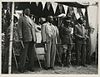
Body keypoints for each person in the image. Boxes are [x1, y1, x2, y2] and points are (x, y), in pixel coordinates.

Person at [17, 8, 37, 73]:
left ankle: (30, 66)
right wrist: (20, 37)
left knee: (31, 54)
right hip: (25, 38)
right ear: (24, 12)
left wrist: (35, 38)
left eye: (29, 11)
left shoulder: (31, 19)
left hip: (32, 38)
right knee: (24, 54)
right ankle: (21, 67)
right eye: (27, 11)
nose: (28, 11)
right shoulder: (21, 18)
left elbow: (33, 29)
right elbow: (19, 28)